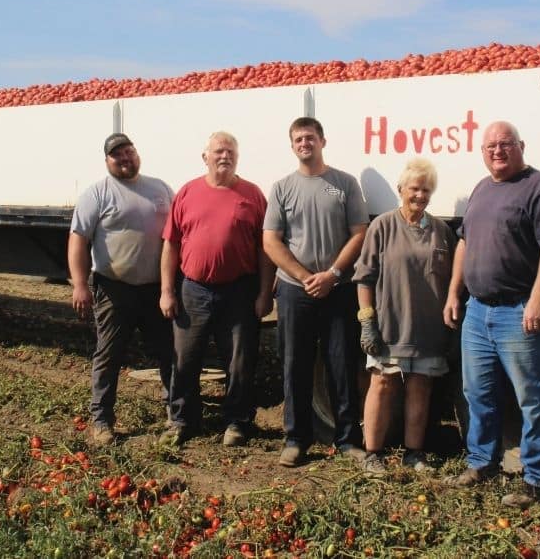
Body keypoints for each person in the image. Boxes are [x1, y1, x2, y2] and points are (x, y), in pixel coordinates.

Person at [442, 121, 540, 507]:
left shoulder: (538, 186)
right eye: (491, 146)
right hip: (478, 311)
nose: (498, 151)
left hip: (518, 310)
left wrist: (536, 300)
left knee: (532, 398)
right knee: (477, 393)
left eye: (505, 144)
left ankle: (537, 482)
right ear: (482, 152)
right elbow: (465, 242)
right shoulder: (482, 188)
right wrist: (454, 292)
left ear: (521, 146)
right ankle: (482, 462)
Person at [263, 117, 369, 467]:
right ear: (292, 145)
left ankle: (349, 440)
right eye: (298, 139)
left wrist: (333, 274)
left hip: (338, 290)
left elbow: (359, 232)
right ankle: (296, 439)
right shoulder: (282, 188)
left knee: (342, 364)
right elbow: (271, 240)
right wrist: (305, 276)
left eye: (310, 137)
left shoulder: (340, 185)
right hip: (296, 291)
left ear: (323, 140)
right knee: (295, 365)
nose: (304, 143)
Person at [158, 132, 274, 447]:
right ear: (205, 156)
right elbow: (171, 244)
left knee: (239, 359)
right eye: (219, 151)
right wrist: (167, 290)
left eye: (231, 152)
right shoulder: (187, 193)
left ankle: (236, 422)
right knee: (185, 357)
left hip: (239, 290)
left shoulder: (252, 195)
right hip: (193, 289)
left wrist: (265, 292)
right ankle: (182, 419)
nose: (225, 156)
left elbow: (265, 249)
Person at [68, 133, 175, 447]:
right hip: (115, 290)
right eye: (117, 155)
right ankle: (102, 421)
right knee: (109, 354)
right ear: (107, 161)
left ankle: (175, 413)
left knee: (169, 352)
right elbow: (78, 240)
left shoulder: (161, 189)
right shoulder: (97, 194)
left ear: (137, 154)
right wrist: (79, 284)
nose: (125, 158)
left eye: (129, 151)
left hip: (157, 289)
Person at [352, 158, 454, 474]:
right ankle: (373, 454)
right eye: (414, 189)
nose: (420, 195)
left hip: (427, 329)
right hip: (390, 326)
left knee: (420, 388)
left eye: (426, 190)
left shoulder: (441, 231)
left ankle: (414, 454)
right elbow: (364, 277)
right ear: (401, 190)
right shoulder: (382, 226)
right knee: (382, 385)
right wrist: (367, 321)